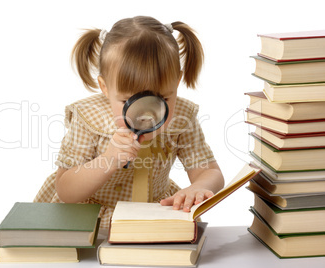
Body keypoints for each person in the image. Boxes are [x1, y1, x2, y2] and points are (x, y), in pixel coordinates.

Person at [34, 16, 224, 228]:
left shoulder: (182, 116)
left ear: (177, 82)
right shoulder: (88, 118)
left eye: (162, 98)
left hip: (152, 214)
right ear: (104, 87)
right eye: (128, 101)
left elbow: (211, 172)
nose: (146, 114)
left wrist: (198, 187)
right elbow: (66, 190)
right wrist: (107, 160)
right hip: (90, 218)